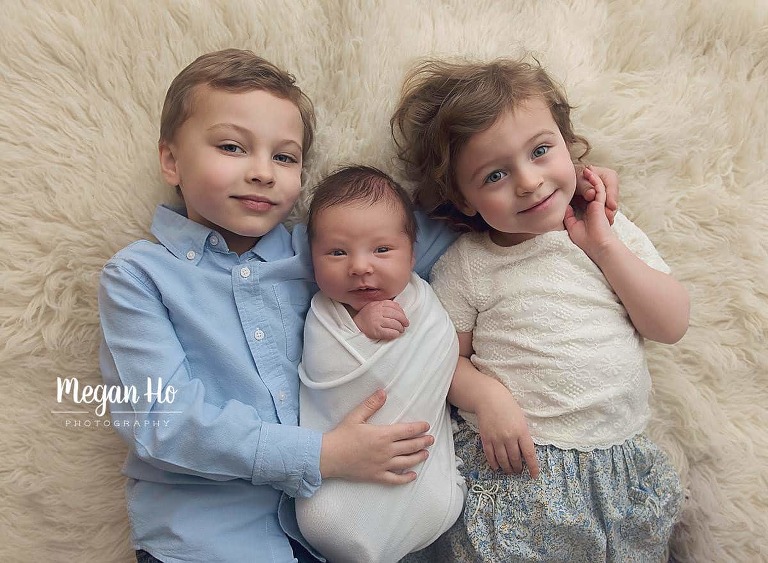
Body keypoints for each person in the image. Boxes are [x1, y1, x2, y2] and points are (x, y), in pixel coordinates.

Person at [98, 48, 620, 562]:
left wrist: (567, 188)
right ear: (171, 159)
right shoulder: (140, 276)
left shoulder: (326, 247)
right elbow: (162, 422)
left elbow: (470, 217)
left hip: (342, 529)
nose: (262, 172)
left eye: (284, 156)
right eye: (233, 148)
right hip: (208, 534)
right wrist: (324, 456)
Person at [391, 57, 689, 562]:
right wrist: (486, 398)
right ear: (462, 199)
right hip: (518, 472)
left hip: (620, 470)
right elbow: (440, 359)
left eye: (541, 150)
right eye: (496, 174)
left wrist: (603, 246)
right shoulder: (470, 266)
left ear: (568, 147)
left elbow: (670, 324)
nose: (528, 182)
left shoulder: (608, 231)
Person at [295, 166, 466, 563]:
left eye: (382, 250)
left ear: (412, 252)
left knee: (436, 495)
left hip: (422, 479)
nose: (359, 266)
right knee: (324, 517)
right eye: (337, 252)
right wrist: (360, 326)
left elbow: (440, 358)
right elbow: (325, 371)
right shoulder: (323, 314)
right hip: (343, 472)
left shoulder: (426, 304)